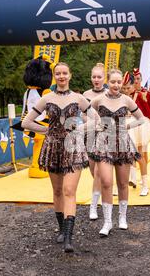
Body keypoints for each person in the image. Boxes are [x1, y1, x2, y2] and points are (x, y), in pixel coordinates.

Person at [22, 62, 100, 253]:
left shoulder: (79, 98)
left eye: (65, 73)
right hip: (53, 148)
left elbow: (97, 120)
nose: (62, 76)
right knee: (57, 191)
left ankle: (68, 237)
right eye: (58, 73)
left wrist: (79, 129)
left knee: (68, 190)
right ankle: (61, 229)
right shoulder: (46, 99)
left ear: (70, 75)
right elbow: (26, 121)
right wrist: (46, 130)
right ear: (54, 76)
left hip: (74, 148)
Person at [90, 69, 147, 236]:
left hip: (122, 143)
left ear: (122, 83)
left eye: (119, 82)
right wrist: (96, 124)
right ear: (108, 81)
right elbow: (85, 113)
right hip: (104, 143)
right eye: (113, 81)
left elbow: (142, 118)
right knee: (106, 182)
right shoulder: (98, 99)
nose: (116, 85)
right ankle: (107, 222)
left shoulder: (127, 100)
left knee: (122, 183)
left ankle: (122, 217)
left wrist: (127, 126)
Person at [83, 63, 108, 220]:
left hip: (105, 136)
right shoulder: (86, 94)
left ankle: (93, 206)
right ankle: (103, 189)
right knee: (93, 171)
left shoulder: (109, 93)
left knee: (99, 172)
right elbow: (83, 114)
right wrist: (93, 123)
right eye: (94, 77)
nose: (96, 79)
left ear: (104, 78)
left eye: (99, 77)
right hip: (90, 135)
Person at [131, 68, 150, 196]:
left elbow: (149, 113)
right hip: (131, 125)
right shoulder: (129, 93)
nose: (136, 82)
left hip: (142, 124)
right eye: (135, 79)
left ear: (141, 80)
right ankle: (132, 178)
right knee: (130, 152)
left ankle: (144, 180)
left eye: (138, 79)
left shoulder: (146, 93)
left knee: (141, 153)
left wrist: (144, 100)